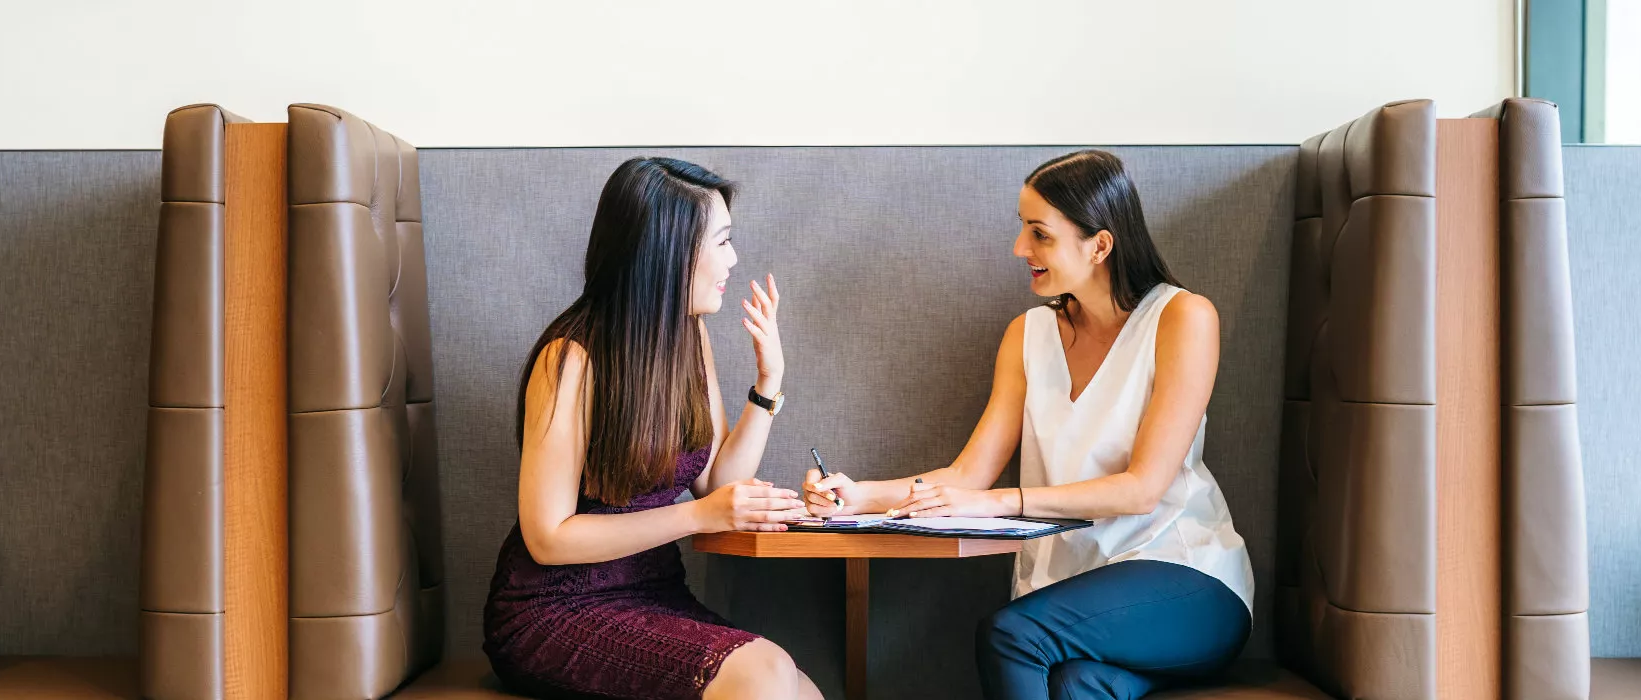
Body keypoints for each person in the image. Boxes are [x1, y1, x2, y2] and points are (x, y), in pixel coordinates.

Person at [803, 150, 1253, 700]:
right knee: (1074, 687)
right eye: (1023, 228)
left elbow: (1142, 490)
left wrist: (1001, 502)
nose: (1020, 248)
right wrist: (858, 497)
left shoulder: (1182, 318)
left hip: (1186, 578)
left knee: (1012, 635)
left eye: (1040, 234)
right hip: (1073, 598)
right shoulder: (1029, 334)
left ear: (1100, 245)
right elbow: (967, 475)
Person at [483, 157, 823, 700]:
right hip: (553, 609)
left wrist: (769, 380)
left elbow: (716, 483)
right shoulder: (569, 359)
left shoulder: (689, 337)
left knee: (802, 690)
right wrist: (698, 517)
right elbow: (547, 538)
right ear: (669, 252)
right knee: (766, 676)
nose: (733, 258)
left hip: (652, 593)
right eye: (722, 241)